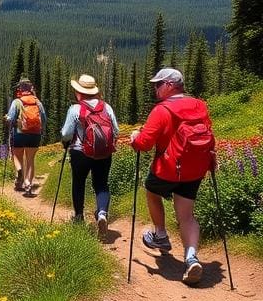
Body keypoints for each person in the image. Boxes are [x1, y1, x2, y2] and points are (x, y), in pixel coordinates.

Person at [130, 67, 216, 286]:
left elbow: (144, 143)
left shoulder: (162, 110)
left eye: (158, 84)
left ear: (169, 85)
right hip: (195, 168)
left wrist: (134, 137)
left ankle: (160, 234)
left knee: (151, 190)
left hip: (168, 168)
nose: (155, 88)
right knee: (186, 215)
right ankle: (191, 257)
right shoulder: (199, 105)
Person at [60, 74, 119, 237]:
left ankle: (79, 217)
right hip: (104, 153)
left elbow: (66, 133)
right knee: (101, 184)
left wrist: (65, 141)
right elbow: (116, 131)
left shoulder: (75, 109)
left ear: (79, 92)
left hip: (80, 152)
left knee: (78, 183)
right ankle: (101, 214)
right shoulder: (106, 107)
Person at [4, 79, 45, 196]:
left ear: (20, 89)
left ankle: (19, 171)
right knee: (30, 160)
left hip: (19, 134)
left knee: (16, 155)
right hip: (35, 135)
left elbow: (10, 119)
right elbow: (44, 119)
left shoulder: (17, 102)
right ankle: (28, 184)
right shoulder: (38, 102)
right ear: (31, 89)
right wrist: (40, 130)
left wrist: (6, 118)